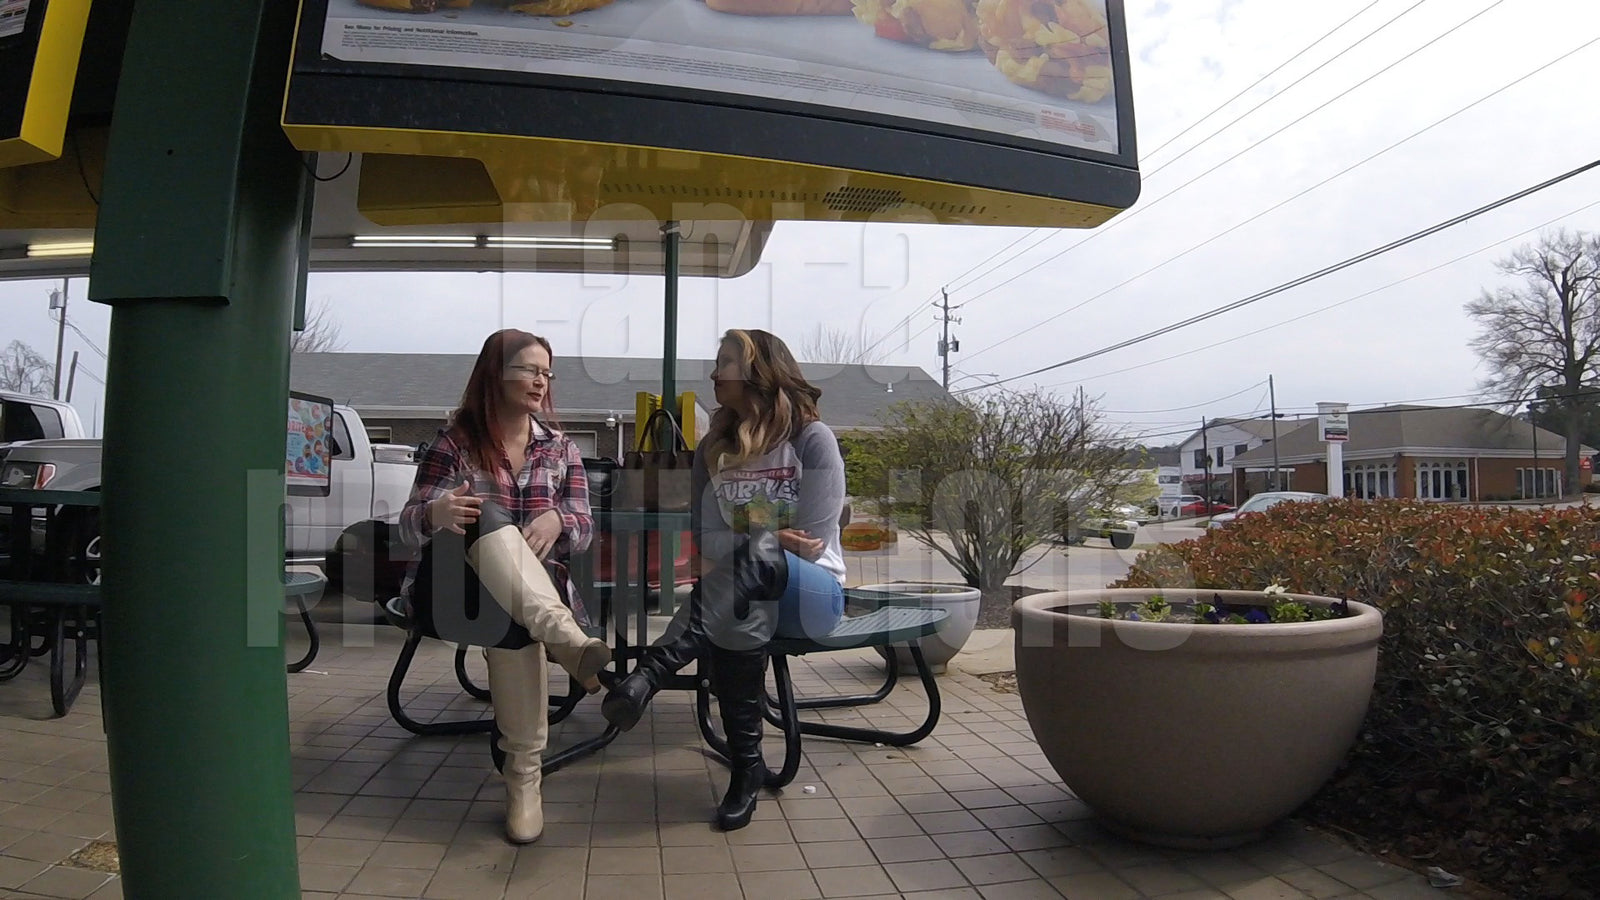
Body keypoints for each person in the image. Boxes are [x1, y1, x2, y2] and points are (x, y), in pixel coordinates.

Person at [600, 328, 847, 830]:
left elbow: (815, 541)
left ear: (759, 370)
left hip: (811, 594)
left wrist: (757, 538)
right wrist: (770, 536)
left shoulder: (809, 440)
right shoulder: (714, 447)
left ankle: (655, 668)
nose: (714, 373)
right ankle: (746, 769)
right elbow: (703, 539)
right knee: (742, 603)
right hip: (743, 600)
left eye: (725, 362)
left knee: (752, 559)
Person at [397, 328, 610, 845]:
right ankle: (565, 639)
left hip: (515, 603)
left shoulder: (560, 449)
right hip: (452, 593)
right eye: (528, 369)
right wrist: (435, 511)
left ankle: (523, 783)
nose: (541, 380)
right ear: (495, 373)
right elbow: (403, 527)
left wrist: (560, 520)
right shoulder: (454, 442)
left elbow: (584, 527)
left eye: (546, 372)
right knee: (484, 515)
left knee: (514, 618)